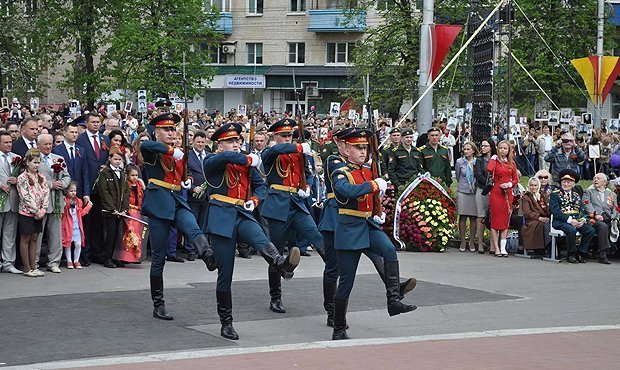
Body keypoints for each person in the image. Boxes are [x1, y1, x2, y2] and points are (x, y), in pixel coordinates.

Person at [203, 122, 300, 340]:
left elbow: (261, 185)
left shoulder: (244, 161)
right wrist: (249, 159)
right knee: (225, 275)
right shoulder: (212, 160)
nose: (236, 144)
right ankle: (226, 322)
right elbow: (227, 159)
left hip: (241, 213)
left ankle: (282, 264)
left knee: (260, 239)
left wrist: (255, 200)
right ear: (219, 144)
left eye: (237, 140)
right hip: (221, 218)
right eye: (230, 141)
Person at [318, 127, 416, 328]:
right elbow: (345, 189)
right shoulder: (336, 164)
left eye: (365, 147)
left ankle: (394, 298)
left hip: (366, 223)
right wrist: (373, 186)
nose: (363, 151)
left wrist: (376, 210)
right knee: (340, 275)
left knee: (388, 250)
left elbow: (370, 192)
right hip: (340, 221)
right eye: (358, 147)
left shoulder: (366, 169)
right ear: (344, 147)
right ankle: (335, 318)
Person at [140, 112, 215, 321]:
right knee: (158, 257)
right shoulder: (154, 149)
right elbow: (146, 147)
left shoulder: (180, 153)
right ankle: (158, 304)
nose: (171, 132)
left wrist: (188, 179)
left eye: (173, 129)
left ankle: (208, 255)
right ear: (157, 132)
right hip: (158, 204)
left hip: (177, 199)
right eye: (167, 129)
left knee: (193, 227)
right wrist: (172, 151)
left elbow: (184, 172)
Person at [260, 118, 326, 314]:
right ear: (275, 136)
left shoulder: (298, 154)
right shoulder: (270, 152)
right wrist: (298, 147)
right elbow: (275, 151)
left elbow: (306, 173)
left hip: (297, 203)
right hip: (277, 206)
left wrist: (305, 187)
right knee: (276, 253)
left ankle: (334, 269)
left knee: (316, 236)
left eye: (290, 135)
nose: (288, 139)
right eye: (284, 136)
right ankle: (275, 297)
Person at [76, 112, 111, 266]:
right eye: (93, 122)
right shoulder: (81, 139)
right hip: (87, 185)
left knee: (99, 221)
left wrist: (106, 166)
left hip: (101, 186)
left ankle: (98, 251)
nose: (96, 124)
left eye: (98, 122)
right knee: (86, 221)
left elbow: (109, 157)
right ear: (87, 123)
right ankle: (86, 253)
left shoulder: (105, 139)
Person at [36, 134, 72, 273]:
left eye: (50, 144)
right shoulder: (35, 159)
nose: (48, 146)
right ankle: (35, 262)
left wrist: (62, 184)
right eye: (45, 144)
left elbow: (67, 176)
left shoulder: (58, 159)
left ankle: (54, 262)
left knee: (56, 234)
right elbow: (32, 178)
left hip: (57, 201)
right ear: (38, 145)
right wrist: (51, 184)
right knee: (38, 234)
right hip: (40, 203)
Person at [550, 169, 596, 263]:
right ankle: (571, 254)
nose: (566, 184)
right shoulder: (555, 195)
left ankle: (581, 253)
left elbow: (582, 210)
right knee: (571, 230)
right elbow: (556, 212)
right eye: (564, 182)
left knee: (590, 230)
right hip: (561, 222)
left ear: (573, 184)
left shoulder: (576, 195)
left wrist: (582, 220)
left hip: (575, 221)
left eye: (568, 182)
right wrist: (571, 221)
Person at [17, 149, 49, 277]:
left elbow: (46, 193)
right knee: (26, 238)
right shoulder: (22, 178)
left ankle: (34, 266)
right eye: (34, 162)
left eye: (38, 162)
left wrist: (43, 209)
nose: (36, 165)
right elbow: (25, 196)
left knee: (35, 238)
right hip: (26, 212)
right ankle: (26, 267)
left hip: (39, 212)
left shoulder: (41, 177)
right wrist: (36, 210)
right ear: (27, 163)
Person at [98, 145, 130, 268]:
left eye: (119, 159)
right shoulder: (105, 173)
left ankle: (117, 257)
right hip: (110, 210)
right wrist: (112, 208)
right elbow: (104, 191)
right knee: (110, 234)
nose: (117, 161)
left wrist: (124, 208)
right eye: (115, 159)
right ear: (110, 158)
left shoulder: (123, 173)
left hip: (120, 210)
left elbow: (126, 191)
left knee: (119, 234)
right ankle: (107, 258)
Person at [487, 140, 519, 257]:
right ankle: (496, 248)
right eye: (500, 148)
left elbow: (516, 179)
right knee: (495, 220)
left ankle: (503, 247)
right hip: (496, 192)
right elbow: (489, 169)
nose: (502, 150)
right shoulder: (495, 161)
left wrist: (510, 184)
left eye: (505, 148)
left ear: (509, 150)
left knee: (505, 220)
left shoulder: (511, 163)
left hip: (507, 192)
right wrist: (493, 158)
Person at [114, 165, 146, 264]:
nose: (134, 177)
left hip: (138, 211)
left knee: (138, 235)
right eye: (132, 175)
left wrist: (144, 186)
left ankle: (136, 256)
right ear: (127, 175)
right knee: (128, 235)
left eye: (136, 175)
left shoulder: (139, 184)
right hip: (129, 211)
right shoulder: (125, 185)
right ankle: (125, 256)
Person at [52, 121, 90, 202]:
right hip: (63, 191)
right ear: (65, 133)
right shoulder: (56, 151)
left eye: (76, 132)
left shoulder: (81, 150)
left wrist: (86, 193)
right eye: (72, 132)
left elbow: (85, 173)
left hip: (78, 191)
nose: (74, 134)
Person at [0, 131, 21, 274]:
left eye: (10, 142)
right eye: (5, 142)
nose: (9, 144)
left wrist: (17, 179)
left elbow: (25, 176)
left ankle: (8, 262)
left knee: (10, 233)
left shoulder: (16, 158)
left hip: (13, 200)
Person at [186, 130, 209, 261]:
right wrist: (193, 188)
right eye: (198, 142)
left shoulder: (209, 156)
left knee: (203, 224)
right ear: (193, 142)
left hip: (206, 196)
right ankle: (191, 249)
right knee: (192, 223)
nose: (200, 144)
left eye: (202, 142)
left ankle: (202, 250)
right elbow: (187, 173)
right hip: (193, 195)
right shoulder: (188, 156)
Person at [582, 173, 616, 264]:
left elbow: (616, 208)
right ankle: (603, 255)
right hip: (593, 219)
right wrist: (595, 214)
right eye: (594, 178)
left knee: (614, 225)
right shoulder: (588, 192)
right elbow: (586, 204)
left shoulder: (611, 194)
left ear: (605, 182)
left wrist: (615, 217)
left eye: (598, 178)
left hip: (608, 218)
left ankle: (615, 251)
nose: (595, 180)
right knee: (603, 226)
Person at [455, 142, 480, 252]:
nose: (466, 151)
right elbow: (457, 175)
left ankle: (471, 241)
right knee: (463, 216)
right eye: (464, 149)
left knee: (473, 217)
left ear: (473, 150)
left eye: (468, 149)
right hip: (463, 190)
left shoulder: (477, 161)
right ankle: (462, 241)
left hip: (474, 191)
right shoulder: (459, 162)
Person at [61, 181, 92, 269]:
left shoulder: (78, 201)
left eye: (75, 190)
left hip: (77, 226)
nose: (73, 192)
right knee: (68, 244)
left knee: (78, 243)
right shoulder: (65, 201)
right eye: (71, 191)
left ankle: (76, 260)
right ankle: (69, 261)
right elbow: (63, 214)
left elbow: (80, 213)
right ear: (66, 191)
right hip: (67, 226)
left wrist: (88, 207)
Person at [473, 139, 496, 253]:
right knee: (481, 216)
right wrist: (488, 184)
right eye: (481, 146)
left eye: (485, 146)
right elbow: (478, 174)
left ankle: (493, 243)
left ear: (491, 147)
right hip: (482, 190)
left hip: (495, 191)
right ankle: (480, 243)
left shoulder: (496, 159)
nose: (482, 148)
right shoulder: (479, 160)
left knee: (493, 217)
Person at [521, 177, 551, 251]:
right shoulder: (526, 197)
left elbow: (547, 208)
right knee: (545, 226)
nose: (533, 187)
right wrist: (540, 218)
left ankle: (555, 248)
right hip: (532, 220)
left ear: (539, 186)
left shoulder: (542, 195)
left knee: (554, 224)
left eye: (535, 185)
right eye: (531, 185)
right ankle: (547, 249)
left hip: (544, 218)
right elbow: (527, 213)